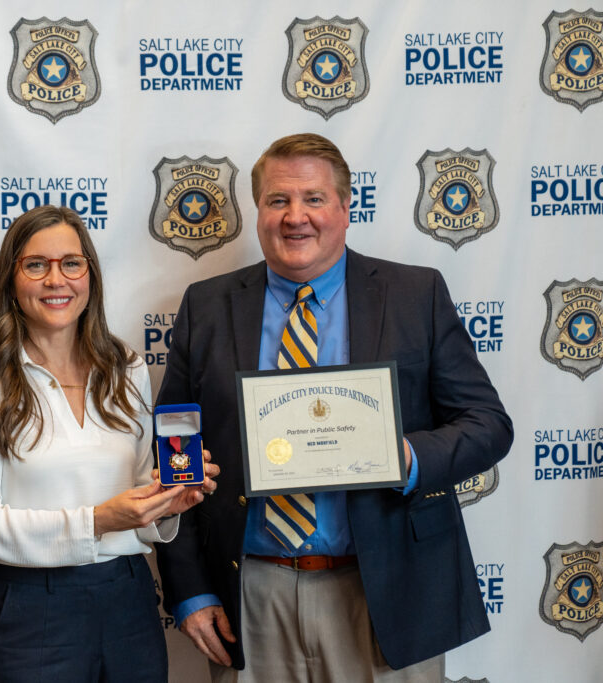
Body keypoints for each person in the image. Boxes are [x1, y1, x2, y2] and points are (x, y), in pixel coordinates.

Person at [155, 133, 513, 682]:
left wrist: (404, 458)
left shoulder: (415, 294)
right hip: (251, 592)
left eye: (313, 199)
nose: (295, 217)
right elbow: (175, 445)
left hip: (386, 590)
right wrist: (190, 589)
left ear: (346, 209)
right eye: (278, 201)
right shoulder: (206, 306)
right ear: (259, 212)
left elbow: (489, 426)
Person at [0, 205, 217, 682]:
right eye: (36, 265)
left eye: (71, 263)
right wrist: (97, 521)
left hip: (128, 598)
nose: (56, 280)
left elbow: (139, 490)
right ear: (11, 279)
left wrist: (170, 502)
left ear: (90, 274)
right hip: (27, 607)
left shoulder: (125, 366)